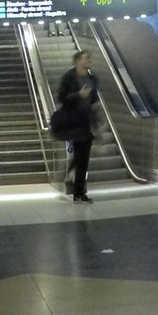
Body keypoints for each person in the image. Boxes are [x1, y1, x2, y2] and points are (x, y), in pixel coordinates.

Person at [56, 49, 100, 203]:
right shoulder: (69, 77)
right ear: (77, 61)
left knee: (83, 158)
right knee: (81, 157)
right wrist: (78, 95)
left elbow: (94, 98)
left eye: (89, 58)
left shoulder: (92, 78)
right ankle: (78, 192)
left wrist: (95, 106)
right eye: (86, 58)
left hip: (87, 122)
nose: (89, 60)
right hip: (74, 121)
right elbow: (61, 98)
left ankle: (78, 190)